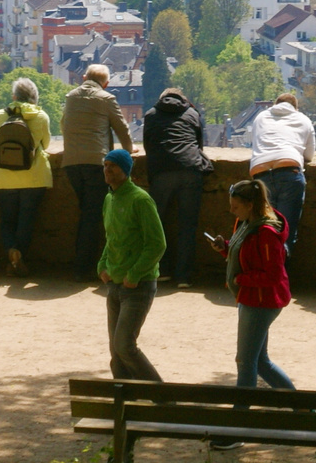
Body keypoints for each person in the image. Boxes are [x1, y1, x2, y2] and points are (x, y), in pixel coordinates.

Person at [208, 177, 293, 449]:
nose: (232, 211)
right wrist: (225, 249)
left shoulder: (266, 233)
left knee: (246, 362)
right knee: (261, 362)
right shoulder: (246, 224)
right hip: (251, 298)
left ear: (249, 205)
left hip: (261, 301)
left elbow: (272, 275)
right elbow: (242, 253)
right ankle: (305, 410)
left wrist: (242, 280)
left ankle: (238, 429)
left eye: (235, 207)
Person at [98, 148, 165, 381]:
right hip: (114, 284)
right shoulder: (109, 198)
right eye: (105, 165)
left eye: (113, 166)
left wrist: (134, 275)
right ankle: (125, 404)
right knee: (116, 353)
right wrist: (102, 266)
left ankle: (163, 399)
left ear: (125, 171)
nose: (107, 170)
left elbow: (157, 244)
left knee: (125, 345)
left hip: (138, 285)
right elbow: (112, 237)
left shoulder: (140, 200)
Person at [62, 64, 134, 281]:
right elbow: (121, 128)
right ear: (107, 83)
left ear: (84, 77)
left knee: (86, 213)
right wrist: (129, 151)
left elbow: (64, 124)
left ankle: (81, 265)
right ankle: (83, 269)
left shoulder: (70, 96)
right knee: (92, 217)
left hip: (72, 163)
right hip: (95, 162)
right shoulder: (106, 98)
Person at [142, 86, 212, 288]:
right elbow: (199, 146)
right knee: (187, 225)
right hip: (190, 169)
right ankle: (183, 276)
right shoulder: (192, 113)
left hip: (162, 170)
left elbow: (148, 145)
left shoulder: (151, 114)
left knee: (157, 224)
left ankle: (162, 270)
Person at [0, 77, 53, 277]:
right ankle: (20, 257)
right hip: (33, 177)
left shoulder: (1, 115)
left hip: (3, 176)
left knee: (7, 220)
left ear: (14, 96)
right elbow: (46, 144)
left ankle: (10, 252)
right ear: (34, 97)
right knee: (26, 220)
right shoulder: (41, 116)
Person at [249, 92, 315, 254]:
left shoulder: (261, 117)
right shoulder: (303, 119)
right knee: (285, 232)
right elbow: (309, 155)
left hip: (261, 173)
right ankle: (279, 276)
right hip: (289, 170)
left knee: (263, 231)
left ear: (275, 104)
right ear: (295, 108)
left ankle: (262, 275)